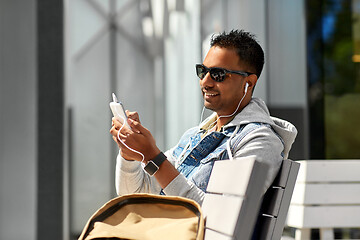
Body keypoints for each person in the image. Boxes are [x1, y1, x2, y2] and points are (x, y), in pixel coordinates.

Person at [110, 29, 297, 205]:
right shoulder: (195, 136)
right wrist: (129, 155)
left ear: (248, 82)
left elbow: (221, 217)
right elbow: (131, 194)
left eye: (218, 74)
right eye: (203, 71)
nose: (205, 82)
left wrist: (154, 157)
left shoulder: (261, 141)